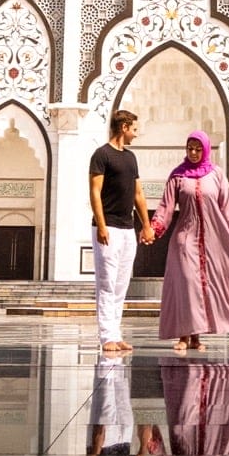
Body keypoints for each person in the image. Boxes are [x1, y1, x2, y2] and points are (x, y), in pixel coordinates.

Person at [150, 131, 229, 351]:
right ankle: (184, 336)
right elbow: (166, 206)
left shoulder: (216, 175)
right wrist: (153, 229)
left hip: (212, 240)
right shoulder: (178, 175)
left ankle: (196, 337)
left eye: (197, 149)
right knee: (188, 285)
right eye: (190, 148)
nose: (193, 153)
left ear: (205, 150)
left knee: (207, 286)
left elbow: (228, 205)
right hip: (185, 238)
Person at [89, 107, 154, 354]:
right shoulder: (101, 155)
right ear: (124, 127)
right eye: (135, 129)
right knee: (106, 284)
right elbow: (95, 191)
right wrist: (102, 224)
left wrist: (146, 225)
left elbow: (138, 193)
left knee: (120, 285)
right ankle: (107, 336)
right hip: (108, 228)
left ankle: (116, 333)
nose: (136, 135)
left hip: (127, 229)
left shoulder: (130, 158)